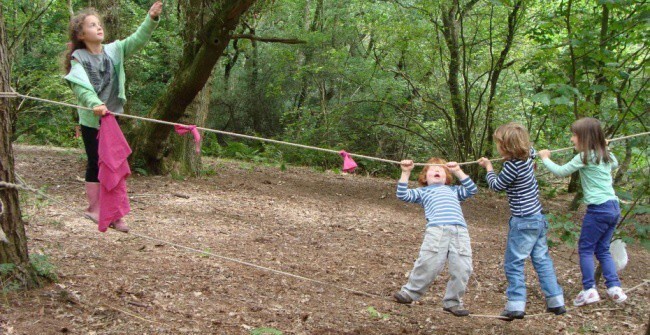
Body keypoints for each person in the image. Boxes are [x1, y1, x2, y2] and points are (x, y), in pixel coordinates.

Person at [63, 2, 163, 232]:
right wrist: (95, 104)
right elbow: (82, 88)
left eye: (99, 24)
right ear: (81, 34)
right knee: (96, 163)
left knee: (115, 165)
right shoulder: (78, 59)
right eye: (92, 25)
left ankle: (116, 213)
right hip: (92, 121)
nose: (99, 28)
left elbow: (137, 40)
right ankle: (96, 209)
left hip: (112, 118)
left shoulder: (114, 50)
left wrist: (150, 18)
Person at [477, 122, 565, 320]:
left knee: (513, 263)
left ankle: (516, 305)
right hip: (538, 219)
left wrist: (489, 167)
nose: (497, 147)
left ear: (507, 147)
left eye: (499, 144)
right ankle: (556, 301)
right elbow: (532, 151)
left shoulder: (511, 166)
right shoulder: (529, 156)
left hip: (523, 221)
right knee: (542, 260)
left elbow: (496, 185)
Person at [538, 117, 627, 306]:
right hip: (613, 207)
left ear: (585, 138)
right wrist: (606, 147)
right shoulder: (605, 155)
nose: (572, 139)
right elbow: (615, 164)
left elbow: (561, 172)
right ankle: (614, 287)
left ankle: (589, 289)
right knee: (602, 249)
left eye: (574, 136)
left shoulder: (584, 156)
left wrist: (545, 158)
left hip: (599, 209)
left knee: (585, 249)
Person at [393, 157, 477, 317]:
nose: (437, 170)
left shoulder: (454, 190)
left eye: (441, 169)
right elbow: (402, 195)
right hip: (437, 231)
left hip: (460, 232)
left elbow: (472, 189)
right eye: (432, 169)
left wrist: (458, 171)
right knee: (428, 263)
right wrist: (405, 173)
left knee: (462, 268)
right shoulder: (422, 192)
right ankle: (409, 293)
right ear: (425, 177)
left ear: (447, 176)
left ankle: (453, 303)